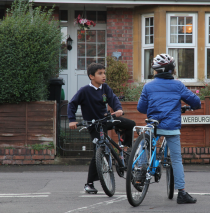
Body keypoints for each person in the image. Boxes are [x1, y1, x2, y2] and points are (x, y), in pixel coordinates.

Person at [137, 53, 201, 204]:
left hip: (153, 125)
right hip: (171, 127)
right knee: (176, 159)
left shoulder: (148, 86)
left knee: (143, 143)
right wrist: (190, 106)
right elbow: (196, 102)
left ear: (156, 70)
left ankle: (140, 170)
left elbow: (141, 108)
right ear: (171, 70)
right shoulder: (177, 85)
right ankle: (182, 193)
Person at [68, 63, 136, 194]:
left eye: (104, 73)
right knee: (98, 151)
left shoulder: (105, 88)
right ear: (91, 76)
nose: (104, 76)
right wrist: (72, 120)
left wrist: (118, 109)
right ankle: (89, 183)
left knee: (130, 124)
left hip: (106, 120)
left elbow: (113, 99)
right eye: (100, 73)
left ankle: (125, 148)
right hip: (94, 125)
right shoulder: (84, 91)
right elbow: (72, 104)